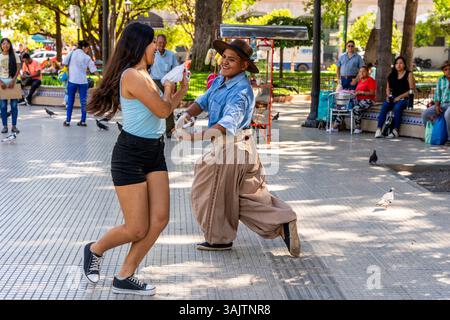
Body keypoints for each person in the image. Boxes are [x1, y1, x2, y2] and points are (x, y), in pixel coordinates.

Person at [85, 22, 188, 296]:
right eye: (153, 42)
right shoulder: (131, 75)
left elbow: (162, 112)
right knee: (136, 228)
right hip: (129, 154)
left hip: (154, 152)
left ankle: (124, 276)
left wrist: (180, 90)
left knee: (160, 218)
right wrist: (169, 88)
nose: (157, 46)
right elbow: (163, 110)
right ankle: (95, 249)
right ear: (140, 45)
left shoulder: (145, 75)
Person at [177, 39, 301, 257]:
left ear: (244, 65)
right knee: (245, 198)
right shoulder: (220, 81)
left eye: (231, 59)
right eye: (224, 57)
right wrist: (187, 114)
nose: (225, 62)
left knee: (210, 192)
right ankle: (283, 222)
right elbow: (203, 101)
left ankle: (219, 240)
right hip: (241, 147)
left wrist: (192, 137)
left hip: (231, 148)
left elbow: (226, 125)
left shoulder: (241, 91)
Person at [375, 56, 416, 139]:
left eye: (401, 63)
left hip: (405, 99)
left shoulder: (409, 74)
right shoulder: (391, 75)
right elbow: (388, 89)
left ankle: (395, 130)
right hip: (393, 98)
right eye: (397, 63)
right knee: (385, 105)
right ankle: (379, 129)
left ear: (404, 65)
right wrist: (388, 96)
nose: (398, 65)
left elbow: (411, 90)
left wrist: (399, 97)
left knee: (397, 107)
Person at [62, 40, 99, 127]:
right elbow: (94, 70)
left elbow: (64, 62)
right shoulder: (87, 57)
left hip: (72, 81)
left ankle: (67, 121)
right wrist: (101, 78)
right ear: (83, 47)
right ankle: (83, 121)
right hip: (83, 82)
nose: (88, 50)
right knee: (83, 102)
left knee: (70, 101)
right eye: (87, 48)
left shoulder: (72, 53)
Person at [148, 34, 179, 138]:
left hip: (167, 83)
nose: (161, 45)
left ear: (166, 43)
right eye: (159, 42)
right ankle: (154, 129)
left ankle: (169, 130)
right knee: (154, 106)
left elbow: (175, 70)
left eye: (163, 42)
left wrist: (174, 85)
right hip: (154, 82)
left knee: (168, 106)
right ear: (156, 43)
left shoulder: (171, 55)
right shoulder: (152, 54)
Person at [332, 66, 377, 133]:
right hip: (358, 100)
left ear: (368, 72)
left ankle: (358, 127)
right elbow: (357, 91)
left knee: (356, 108)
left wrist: (361, 92)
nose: (361, 73)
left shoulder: (370, 80)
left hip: (368, 100)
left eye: (363, 71)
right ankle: (335, 126)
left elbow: (372, 93)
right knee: (344, 107)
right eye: (360, 71)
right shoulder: (360, 81)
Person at [421, 60, 450, 143]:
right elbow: (437, 95)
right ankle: (431, 134)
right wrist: (437, 106)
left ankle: (449, 139)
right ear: (443, 71)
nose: (448, 71)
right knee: (425, 114)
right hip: (442, 105)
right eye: (446, 69)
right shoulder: (441, 80)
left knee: (448, 114)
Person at [0, 38, 21, 134]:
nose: (5, 45)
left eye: (7, 43)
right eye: (3, 44)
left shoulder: (15, 55)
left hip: (13, 81)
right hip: (2, 82)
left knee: (14, 105)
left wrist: (13, 80)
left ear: (10, 45)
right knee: (3, 106)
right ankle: (4, 126)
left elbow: (18, 69)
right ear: (1, 46)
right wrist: (0, 82)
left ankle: (14, 126)